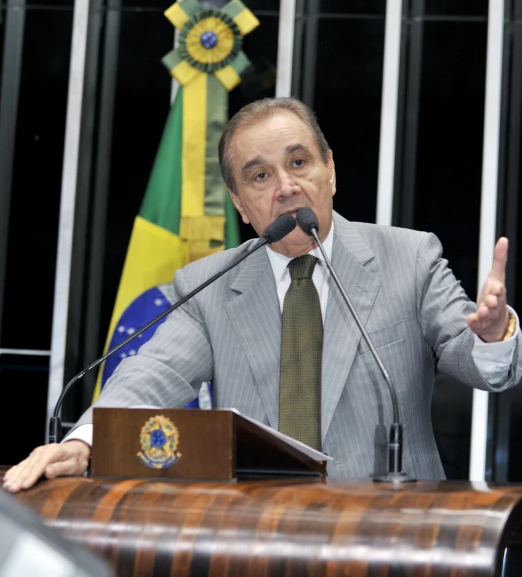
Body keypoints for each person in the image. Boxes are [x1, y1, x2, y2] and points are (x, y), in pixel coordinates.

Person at [3, 97, 521, 491]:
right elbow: (150, 376)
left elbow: (474, 360)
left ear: (331, 171)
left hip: (387, 534)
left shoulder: (407, 258)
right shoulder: (209, 285)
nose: (286, 186)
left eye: (299, 164)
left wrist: (494, 335)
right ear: (240, 204)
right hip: (258, 537)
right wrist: (81, 442)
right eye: (259, 175)